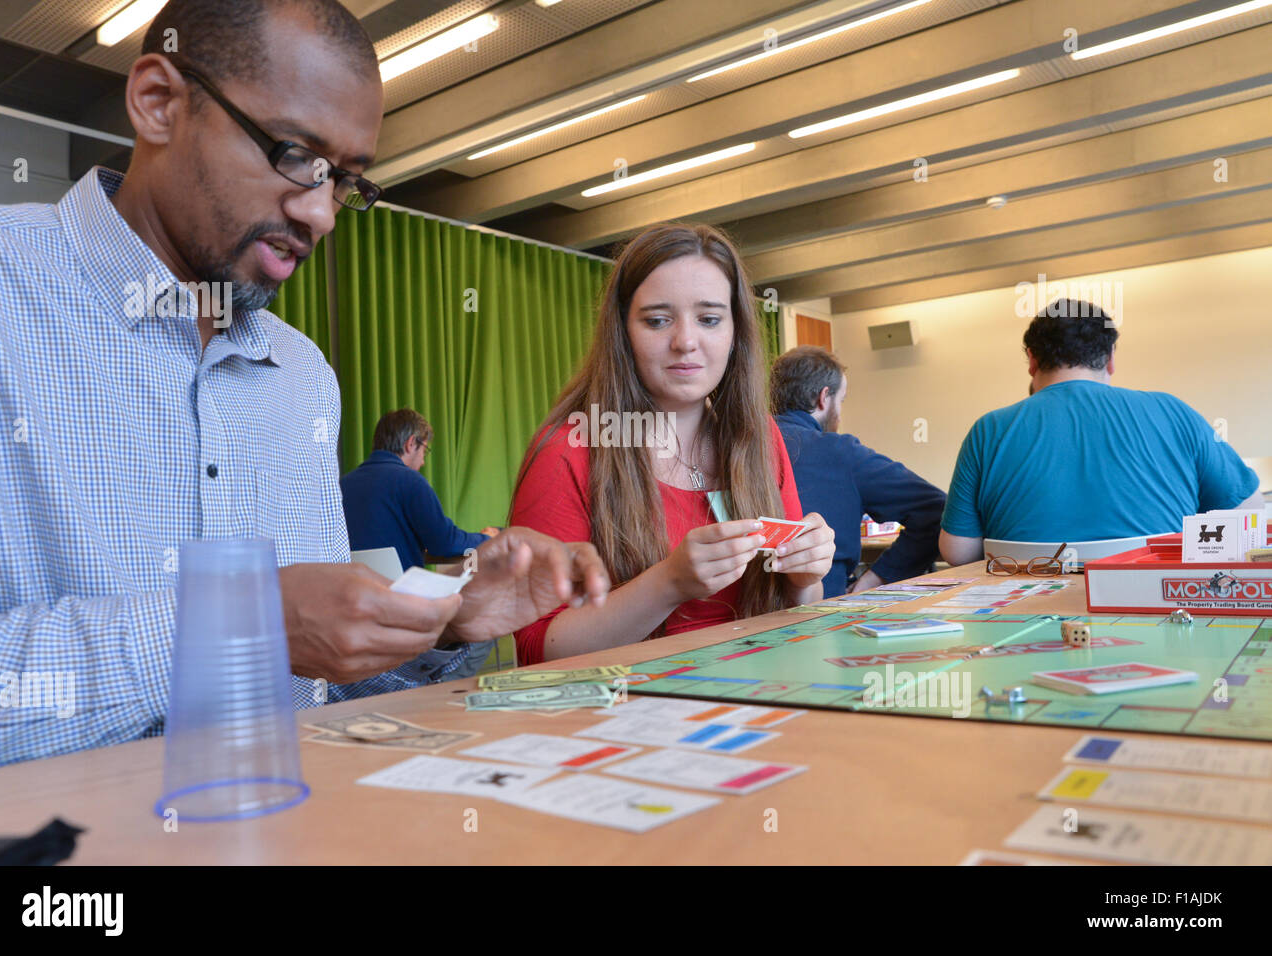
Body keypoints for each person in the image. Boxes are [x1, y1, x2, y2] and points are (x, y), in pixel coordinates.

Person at [0, 0, 607, 770]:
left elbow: (318, 697)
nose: (321, 214)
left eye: (345, 181)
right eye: (293, 154)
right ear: (159, 102)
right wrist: (239, 626)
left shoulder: (302, 376)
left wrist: (433, 620)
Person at [508, 223, 836, 664]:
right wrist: (669, 583)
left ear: (735, 333)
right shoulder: (568, 451)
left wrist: (806, 578)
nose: (685, 341)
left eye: (709, 319)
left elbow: (802, 614)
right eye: (658, 320)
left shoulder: (761, 437)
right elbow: (537, 649)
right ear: (622, 332)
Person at [939, 300, 1261, 564]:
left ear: (1032, 362)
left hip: (1020, 620)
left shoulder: (987, 430)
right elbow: (1250, 512)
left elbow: (958, 551)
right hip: (1156, 611)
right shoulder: (1173, 411)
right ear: (1109, 360)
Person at [771, 346, 945, 596]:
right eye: (840, 401)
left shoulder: (735, 445)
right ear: (823, 397)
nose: (840, 415)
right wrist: (877, 578)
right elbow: (937, 510)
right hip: (823, 614)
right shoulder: (840, 452)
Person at [342, 408, 499, 677]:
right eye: (425, 450)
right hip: (405, 613)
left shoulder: (342, 486)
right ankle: (437, 686)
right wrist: (489, 538)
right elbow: (445, 543)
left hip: (358, 613)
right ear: (410, 443)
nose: (424, 461)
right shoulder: (410, 482)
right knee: (488, 620)